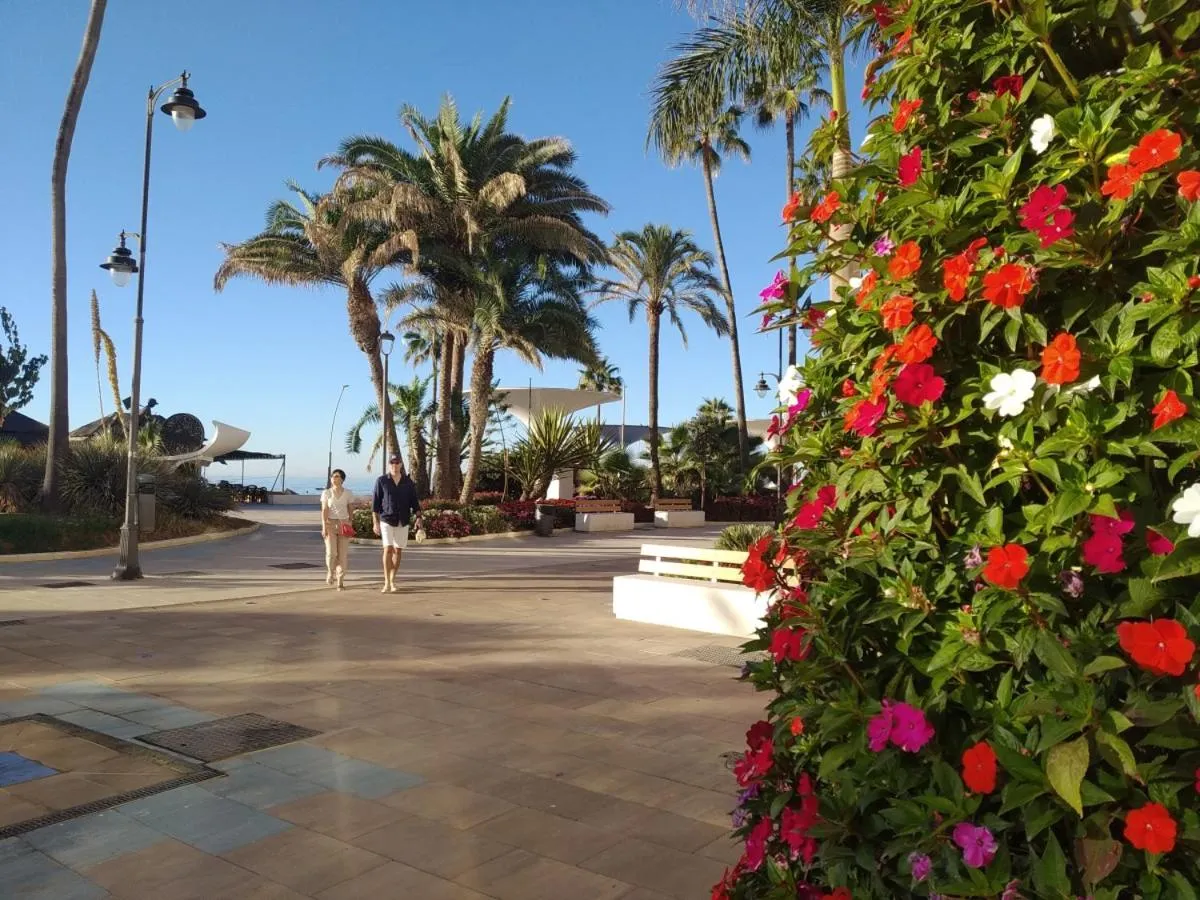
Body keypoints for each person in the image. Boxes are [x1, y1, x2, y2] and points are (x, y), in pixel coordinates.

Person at [372, 455, 422, 593]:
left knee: (398, 550)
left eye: (397, 462)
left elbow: (415, 503)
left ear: (401, 465)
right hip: (386, 520)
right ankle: (386, 582)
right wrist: (375, 523)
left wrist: (419, 518)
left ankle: (393, 580)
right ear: (389, 465)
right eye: (392, 462)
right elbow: (375, 504)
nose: (394, 465)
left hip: (403, 520)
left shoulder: (408, 482)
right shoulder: (381, 481)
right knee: (387, 549)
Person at [320, 469, 356, 591]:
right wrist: (324, 526)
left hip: (344, 524)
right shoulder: (326, 493)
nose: (334, 479)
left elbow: (351, 508)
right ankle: (330, 572)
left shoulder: (348, 493)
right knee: (331, 553)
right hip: (330, 524)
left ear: (342, 479)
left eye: (337, 476)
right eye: (333, 476)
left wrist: (350, 522)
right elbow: (324, 510)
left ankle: (340, 581)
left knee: (342, 555)